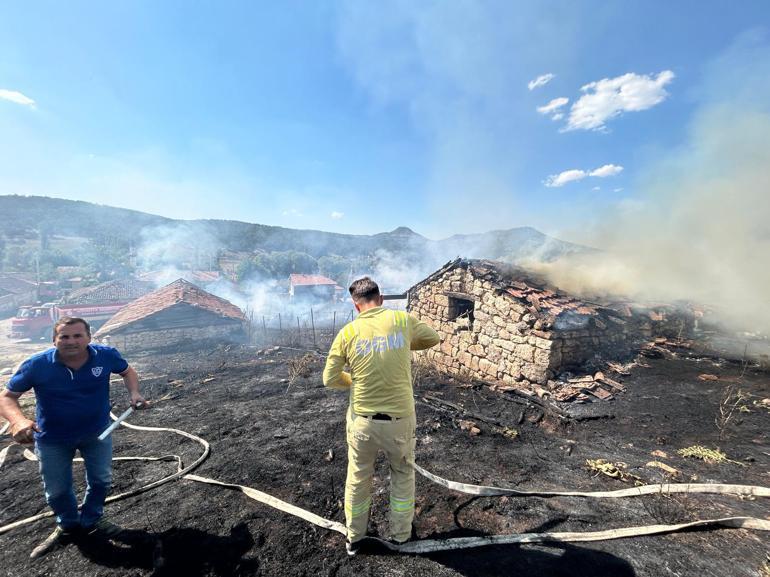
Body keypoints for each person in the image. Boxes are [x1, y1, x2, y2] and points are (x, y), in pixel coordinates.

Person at [0, 316, 148, 559]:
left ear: (89, 338)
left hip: (97, 433)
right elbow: (6, 397)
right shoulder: (37, 365)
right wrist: (18, 421)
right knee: (57, 491)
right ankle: (67, 525)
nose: (71, 341)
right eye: (64, 336)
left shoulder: (106, 356)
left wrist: (134, 392)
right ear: (54, 340)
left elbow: (127, 371)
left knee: (101, 481)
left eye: (77, 335)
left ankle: (93, 518)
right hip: (52, 438)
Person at [323, 277, 439, 556]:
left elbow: (329, 378)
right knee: (401, 475)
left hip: (362, 421)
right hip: (399, 422)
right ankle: (400, 535)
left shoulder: (347, 333)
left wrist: (353, 381)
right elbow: (433, 337)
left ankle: (355, 538)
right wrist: (400, 345)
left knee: (358, 477)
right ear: (382, 298)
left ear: (356, 304)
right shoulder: (402, 320)